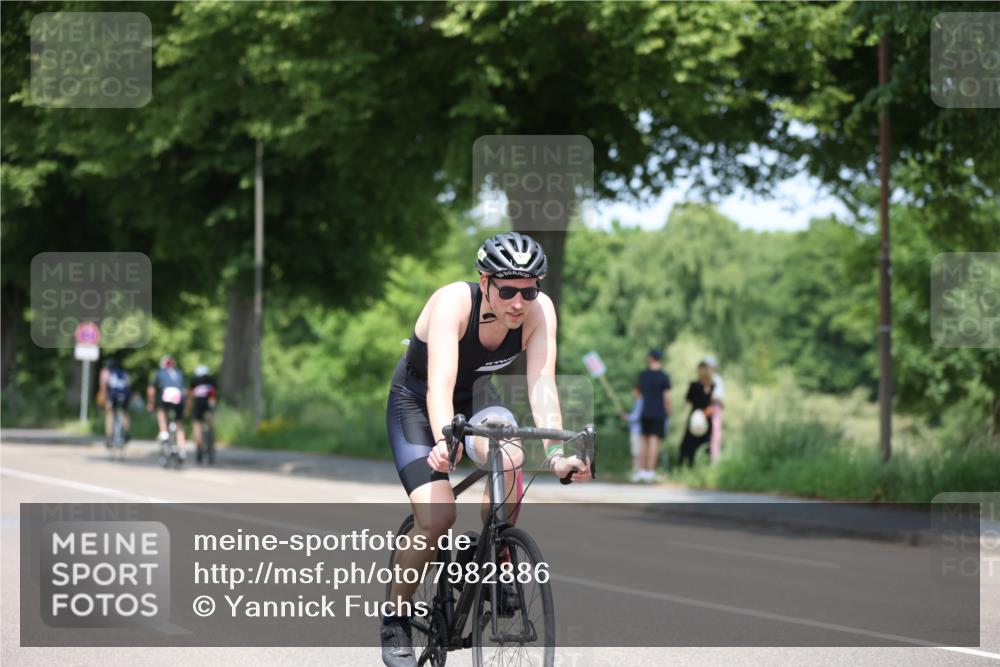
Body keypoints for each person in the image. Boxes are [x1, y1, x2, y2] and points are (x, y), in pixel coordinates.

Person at [381, 232, 592, 667]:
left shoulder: (540, 312)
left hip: (476, 398)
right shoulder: (452, 303)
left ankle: (494, 549)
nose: (519, 301)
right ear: (484, 282)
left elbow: (542, 385)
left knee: (512, 454)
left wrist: (556, 454)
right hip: (418, 404)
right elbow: (439, 385)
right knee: (438, 517)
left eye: (529, 289)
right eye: (508, 289)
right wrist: (444, 443)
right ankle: (397, 617)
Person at [635, 348, 671, 482]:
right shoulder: (664, 376)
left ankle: (641, 472)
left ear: (650, 358)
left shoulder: (643, 375)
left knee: (643, 442)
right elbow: (667, 398)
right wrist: (668, 413)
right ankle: (650, 472)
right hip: (659, 413)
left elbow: (638, 394)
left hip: (645, 412)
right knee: (654, 443)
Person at [146, 355, 186, 460]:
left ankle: (163, 431)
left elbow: (151, 389)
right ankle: (182, 449)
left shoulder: (160, 372)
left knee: (161, 411)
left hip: (167, 394)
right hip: (178, 395)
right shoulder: (179, 372)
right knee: (179, 425)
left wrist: (151, 403)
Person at [678, 359, 717, 467]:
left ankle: (686, 466)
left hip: (700, 416)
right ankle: (702, 466)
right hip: (703, 416)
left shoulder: (697, 385)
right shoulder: (712, 386)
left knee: (689, 444)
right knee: (702, 443)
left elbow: (687, 401)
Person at [187, 365, 217, 465]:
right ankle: (210, 434)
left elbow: (190, 397)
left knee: (197, 424)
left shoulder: (194, 380)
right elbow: (213, 396)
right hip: (209, 404)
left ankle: (199, 443)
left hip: (198, 405)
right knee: (210, 423)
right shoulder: (210, 380)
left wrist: (187, 409)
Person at [97, 357, 131, 447]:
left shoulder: (105, 372)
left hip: (114, 395)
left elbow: (103, 388)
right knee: (125, 412)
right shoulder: (123, 373)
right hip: (125, 395)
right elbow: (128, 386)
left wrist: (102, 403)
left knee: (110, 413)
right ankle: (126, 432)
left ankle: (109, 437)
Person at [703, 355, 725, 462]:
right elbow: (716, 398)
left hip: (708, 410)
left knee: (713, 437)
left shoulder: (716, 379)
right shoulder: (716, 380)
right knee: (714, 437)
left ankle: (712, 461)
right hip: (710, 410)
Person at [620, 385, 644, 482]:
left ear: (637, 391)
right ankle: (637, 472)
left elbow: (636, 416)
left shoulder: (640, 401)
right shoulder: (639, 401)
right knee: (636, 452)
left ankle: (637, 473)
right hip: (637, 430)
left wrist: (626, 417)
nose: (632, 393)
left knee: (637, 452)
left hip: (637, 431)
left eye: (633, 391)